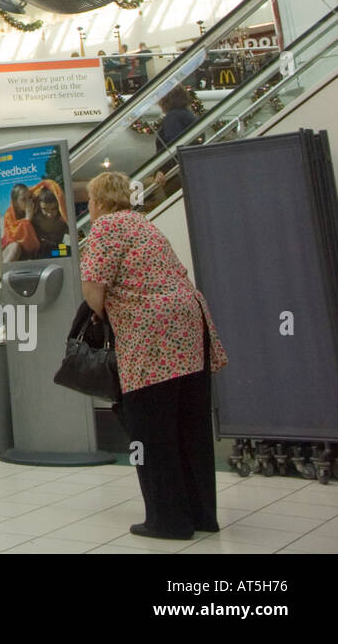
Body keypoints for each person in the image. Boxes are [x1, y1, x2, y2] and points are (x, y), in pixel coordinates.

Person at [80, 171, 228, 540]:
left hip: (150, 336)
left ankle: (167, 520)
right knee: (189, 426)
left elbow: (93, 289)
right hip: (190, 328)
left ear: (96, 202)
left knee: (152, 430)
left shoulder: (106, 227)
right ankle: (200, 514)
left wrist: (101, 316)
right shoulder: (144, 223)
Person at [153, 85, 198, 198]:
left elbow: (172, 146)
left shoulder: (172, 117)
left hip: (175, 175)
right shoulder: (187, 114)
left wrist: (161, 170)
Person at [30, 189, 69, 259]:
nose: (49, 214)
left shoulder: (63, 218)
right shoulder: (36, 219)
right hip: (42, 250)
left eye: (53, 209)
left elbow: (77, 232)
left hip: (60, 247)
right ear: (39, 207)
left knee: (68, 251)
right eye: (45, 209)